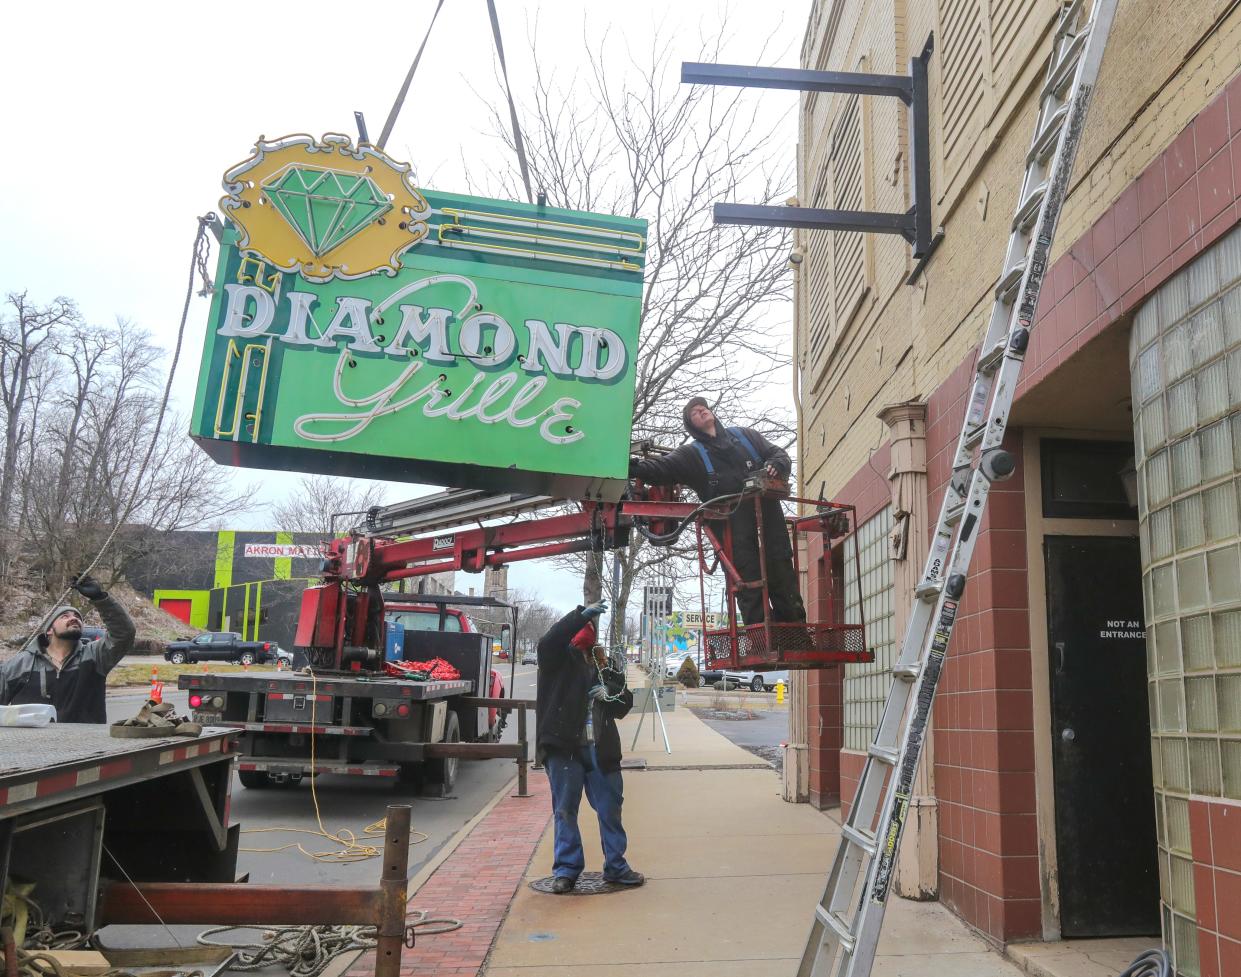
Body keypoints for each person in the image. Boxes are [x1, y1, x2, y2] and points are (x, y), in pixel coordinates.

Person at [629, 396, 807, 626]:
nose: (701, 411)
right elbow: (661, 468)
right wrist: (628, 467)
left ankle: (795, 635)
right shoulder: (693, 455)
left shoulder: (746, 437)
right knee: (746, 581)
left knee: (782, 574)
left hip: (770, 523)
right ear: (691, 426)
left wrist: (777, 465)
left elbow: (779, 454)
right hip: (733, 532)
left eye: (703, 407)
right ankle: (761, 638)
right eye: (694, 412)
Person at [536, 600, 643, 893]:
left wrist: (610, 693)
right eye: (583, 626)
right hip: (564, 749)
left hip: (602, 751)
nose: (586, 633)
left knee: (610, 809)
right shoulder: (556, 659)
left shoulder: (603, 665)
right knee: (565, 811)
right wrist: (577, 615)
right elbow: (548, 641)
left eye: (590, 627)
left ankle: (616, 867)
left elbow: (624, 703)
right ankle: (567, 870)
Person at [0, 574, 136, 723]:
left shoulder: (95, 656)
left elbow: (124, 634)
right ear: (49, 630)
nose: (74, 618)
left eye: (77, 617)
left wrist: (100, 599)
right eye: (64, 616)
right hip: (31, 745)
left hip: (87, 745)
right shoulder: (20, 664)